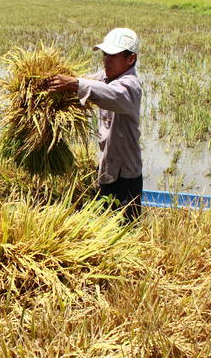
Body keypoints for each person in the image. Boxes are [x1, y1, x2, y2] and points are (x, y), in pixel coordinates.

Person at [47, 28, 143, 222]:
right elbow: (88, 82)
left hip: (125, 174)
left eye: (112, 55)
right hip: (107, 167)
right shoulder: (106, 77)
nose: (106, 60)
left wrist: (73, 83)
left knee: (125, 228)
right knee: (104, 220)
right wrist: (57, 82)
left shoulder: (130, 86)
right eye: (104, 54)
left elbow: (110, 94)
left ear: (130, 59)